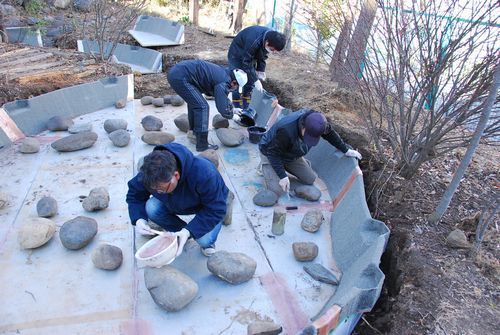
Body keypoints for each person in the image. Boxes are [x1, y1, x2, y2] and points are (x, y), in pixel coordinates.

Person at [126, 142, 229, 257]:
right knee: (151, 207)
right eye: (154, 190)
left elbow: (215, 210)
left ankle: (227, 202)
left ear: (176, 175)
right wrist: (139, 219)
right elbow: (134, 194)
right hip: (175, 201)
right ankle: (180, 234)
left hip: (206, 205)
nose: (158, 192)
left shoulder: (205, 173)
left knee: (204, 240)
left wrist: (190, 231)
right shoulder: (150, 173)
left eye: (162, 188)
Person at [259, 109, 362, 196]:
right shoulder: (286, 130)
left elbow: (330, 134)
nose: (309, 139)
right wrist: (282, 176)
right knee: (277, 190)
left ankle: (287, 169)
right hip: (269, 152)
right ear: (303, 127)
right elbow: (273, 153)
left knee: (310, 179)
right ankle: (265, 166)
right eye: (308, 135)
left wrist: (346, 150)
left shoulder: (319, 123)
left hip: (290, 155)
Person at [167, 59, 248, 151]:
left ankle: (193, 134)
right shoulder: (223, 82)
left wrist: (233, 109)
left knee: (195, 103)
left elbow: (220, 97)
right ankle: (202, 145)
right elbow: (222, 108)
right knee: (202, 107)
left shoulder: (224, 74)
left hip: (178, 72)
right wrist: (232, 116)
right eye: (236, 86)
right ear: (234, 82)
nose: (235, 89)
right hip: (181, 77)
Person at [228, 25, 286, 124]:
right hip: (237, 55)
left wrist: (261, 70)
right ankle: (237, 111)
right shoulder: (253, 40)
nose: (273, 52)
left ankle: (246, 110)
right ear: (267, 43)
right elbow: (246, 62)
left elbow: (262, 56)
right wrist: (255, 79)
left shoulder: (270, 38)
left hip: (249, 56)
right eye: (272, 50)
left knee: (250, 83)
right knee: (237, 82)